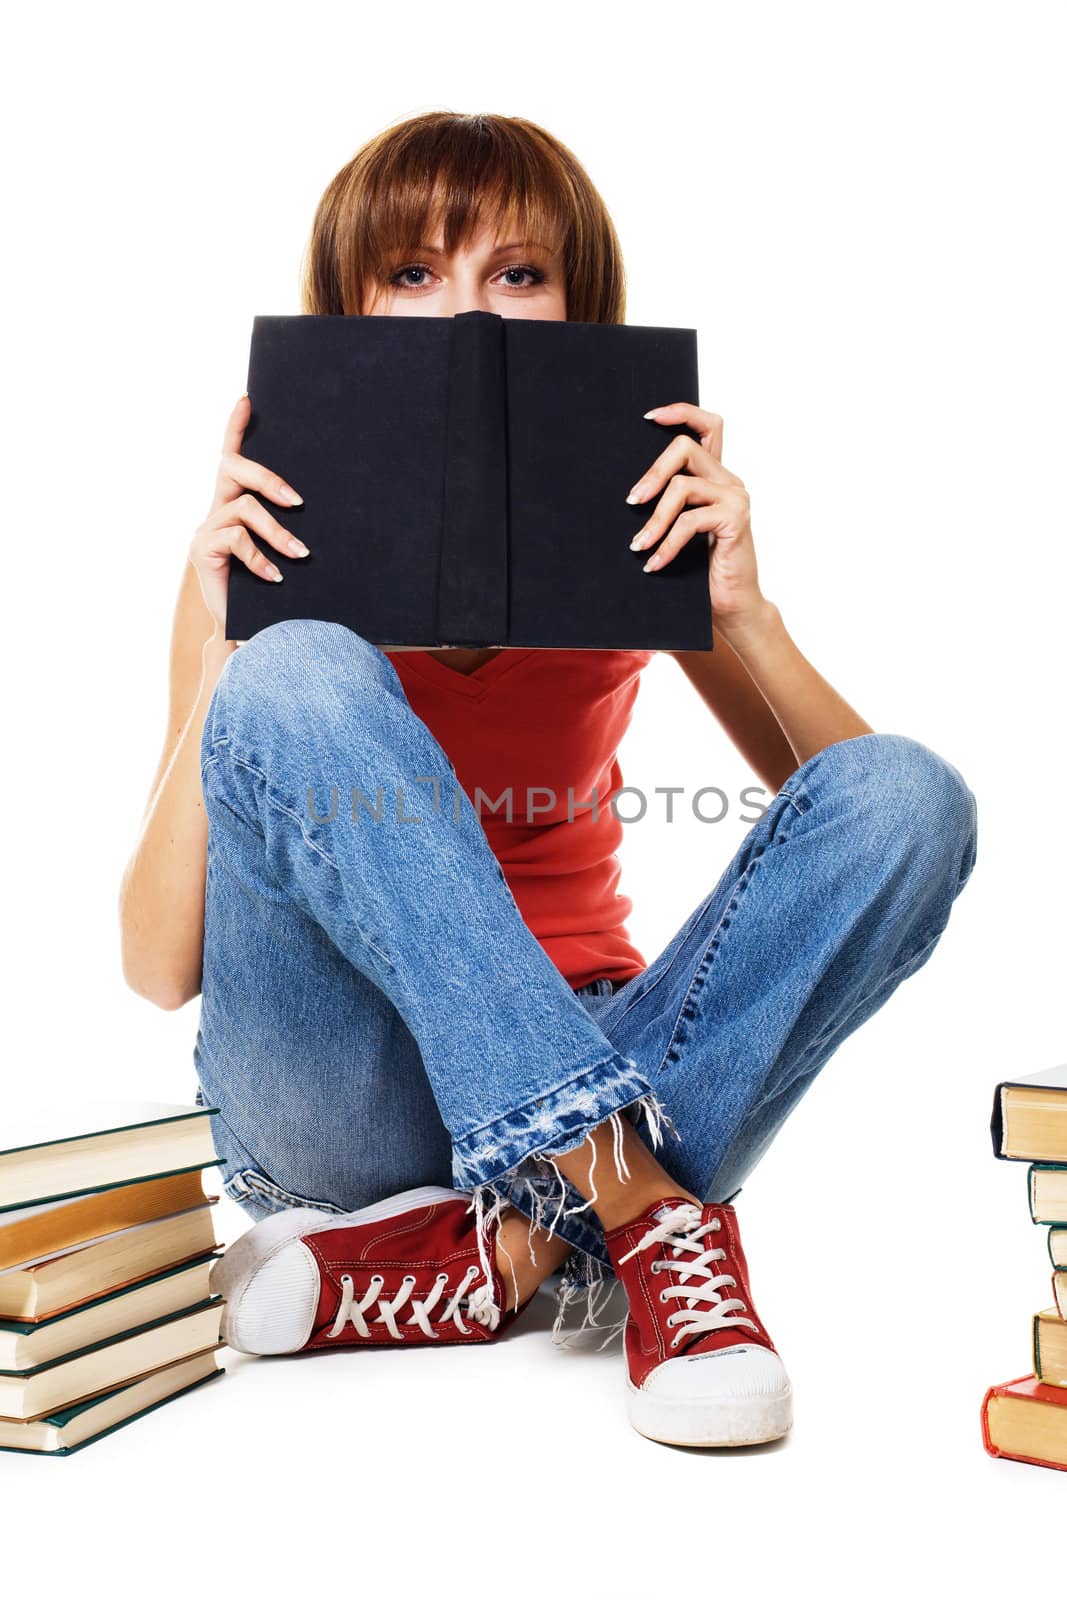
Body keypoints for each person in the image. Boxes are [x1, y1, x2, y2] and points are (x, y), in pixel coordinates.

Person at [118, 110, 977, 1450]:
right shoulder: (251, 567)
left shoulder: (631, 526)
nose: (470, 312)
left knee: (917, 792)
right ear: (347, 309)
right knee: (297, 673)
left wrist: (743, 612)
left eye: (516, 274)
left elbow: (856, 817)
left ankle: (490, 1255)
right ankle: (628, 1211)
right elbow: (158, 965)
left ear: (578, 304)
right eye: (412, 274)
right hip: (339, 1097)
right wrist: (236, 643)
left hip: (597, 1037)